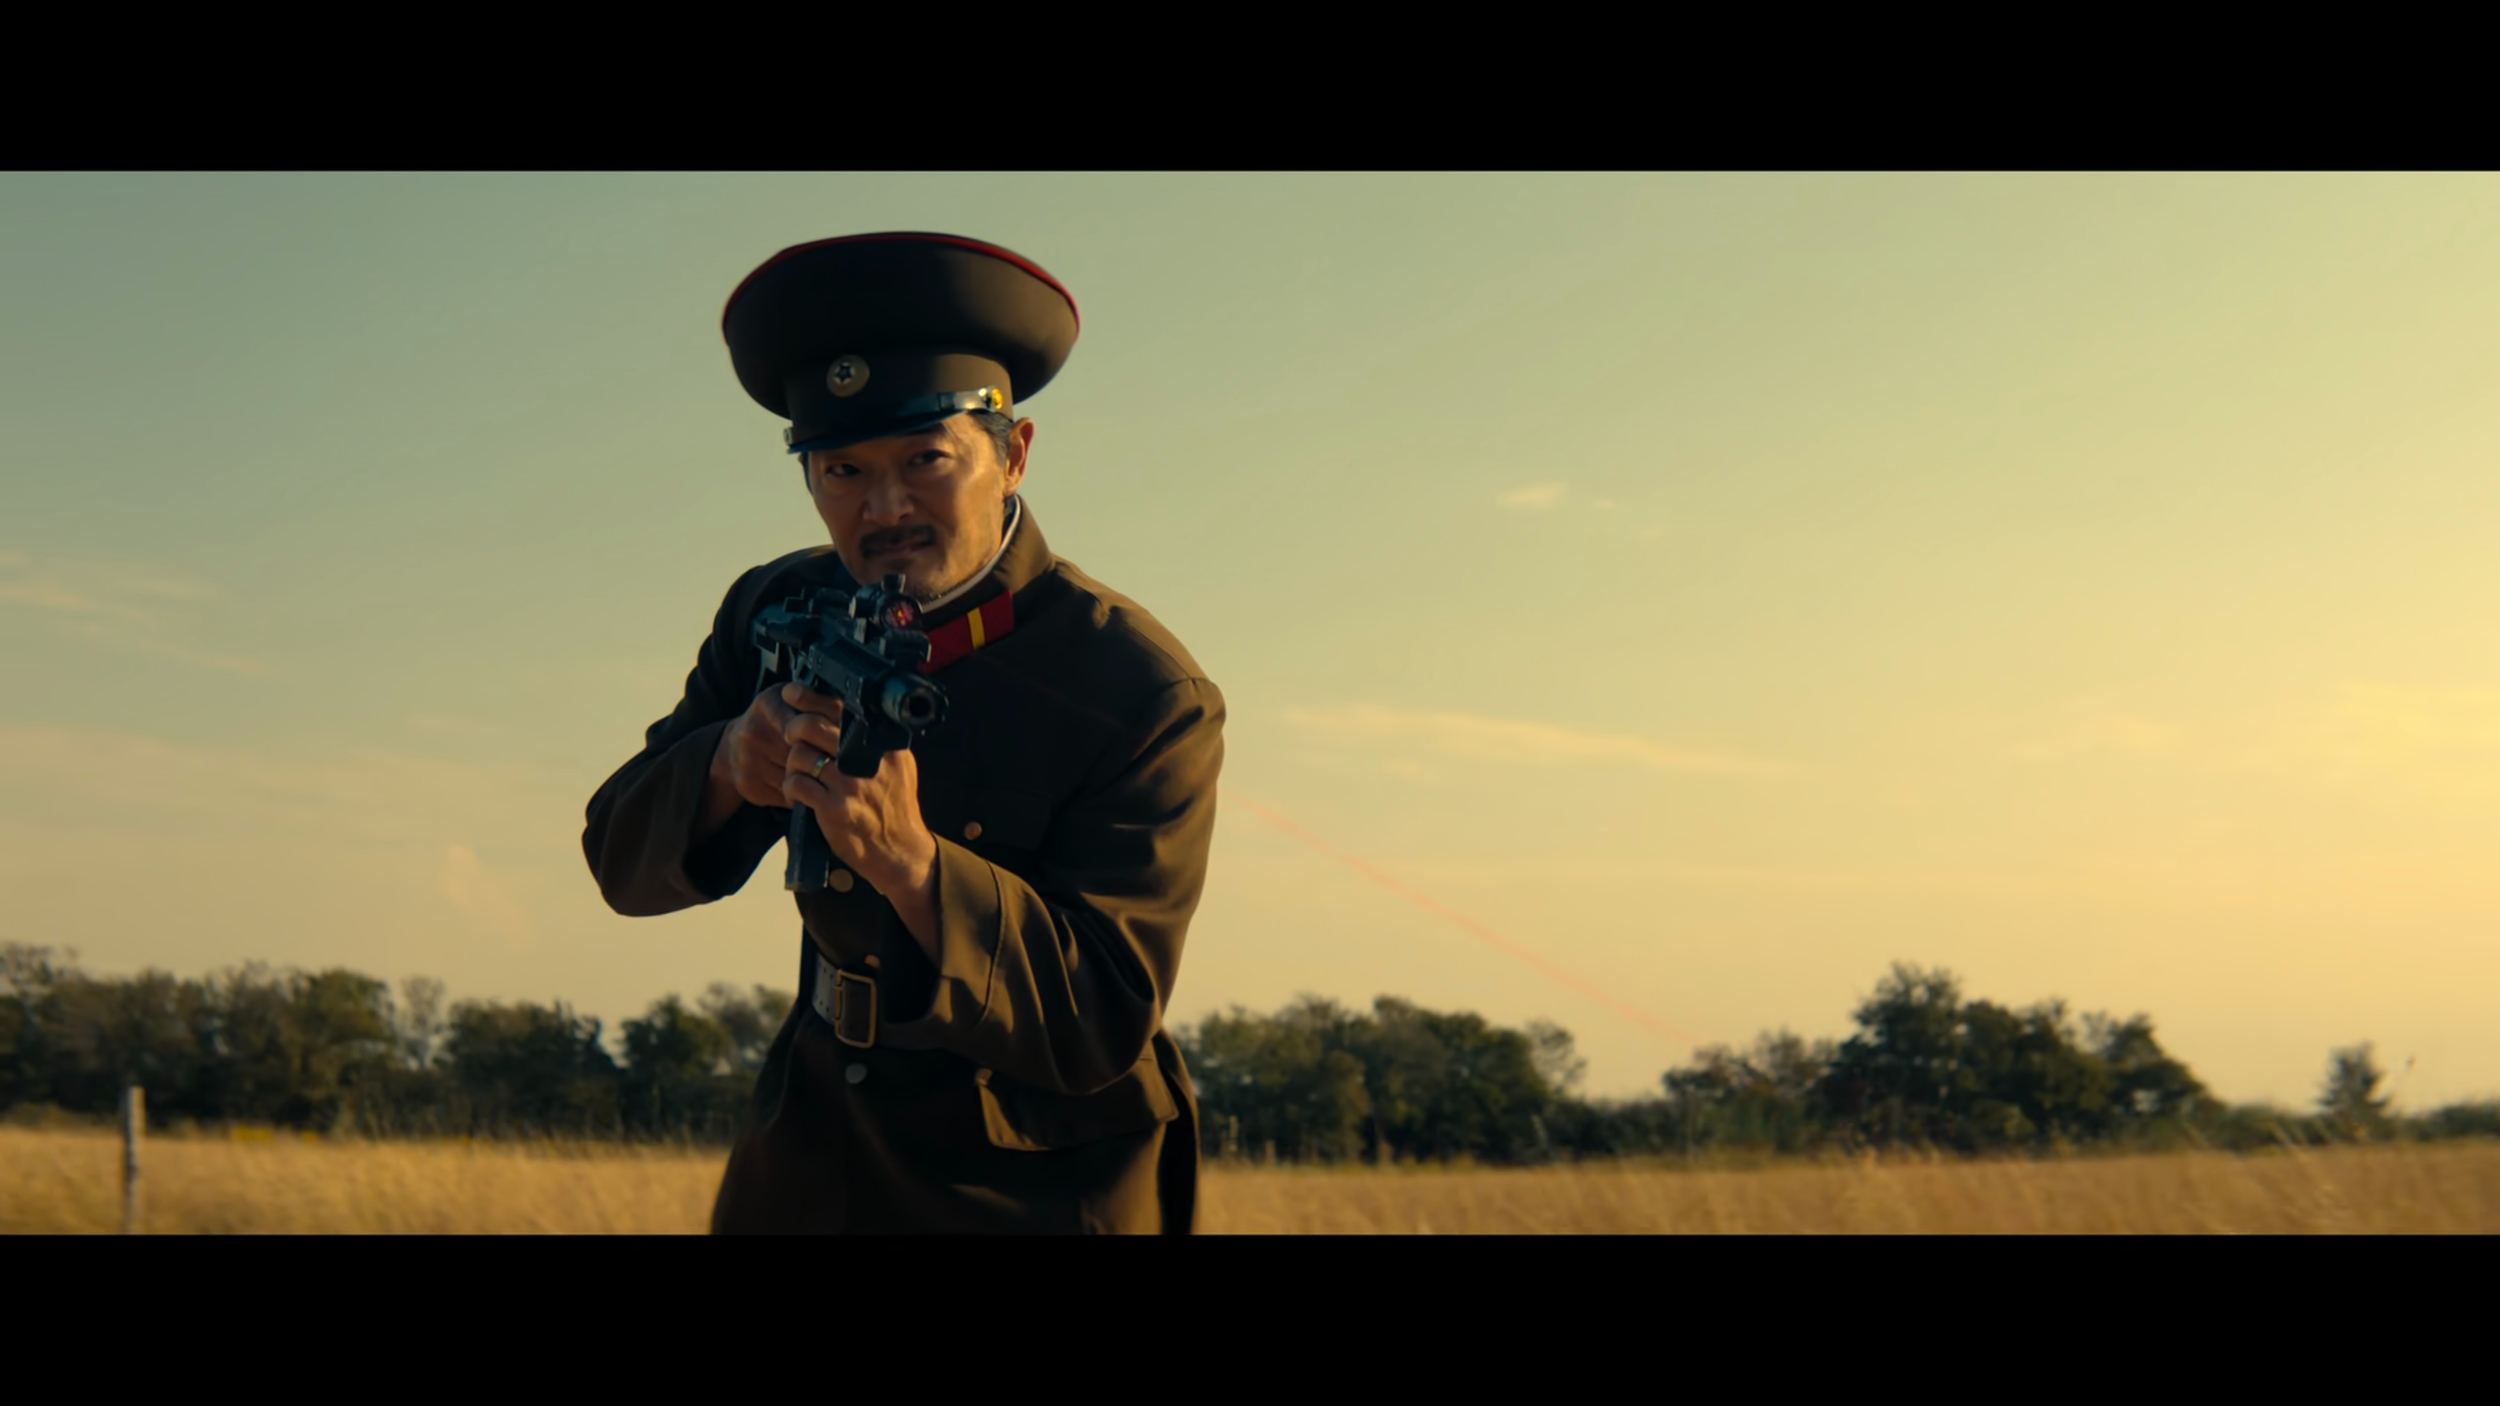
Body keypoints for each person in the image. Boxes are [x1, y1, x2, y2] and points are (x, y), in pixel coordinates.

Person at [582, 233, 1224, 1233]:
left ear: (1012, 453)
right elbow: (618, 862)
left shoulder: (1141, 689)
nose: (884, 507)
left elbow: (1100, 1015)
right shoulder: (776, 606)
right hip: (814, 1141)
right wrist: (726, 766)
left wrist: (917, 870)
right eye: (841, 468)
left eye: (926, 459)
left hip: (1037, 1180)